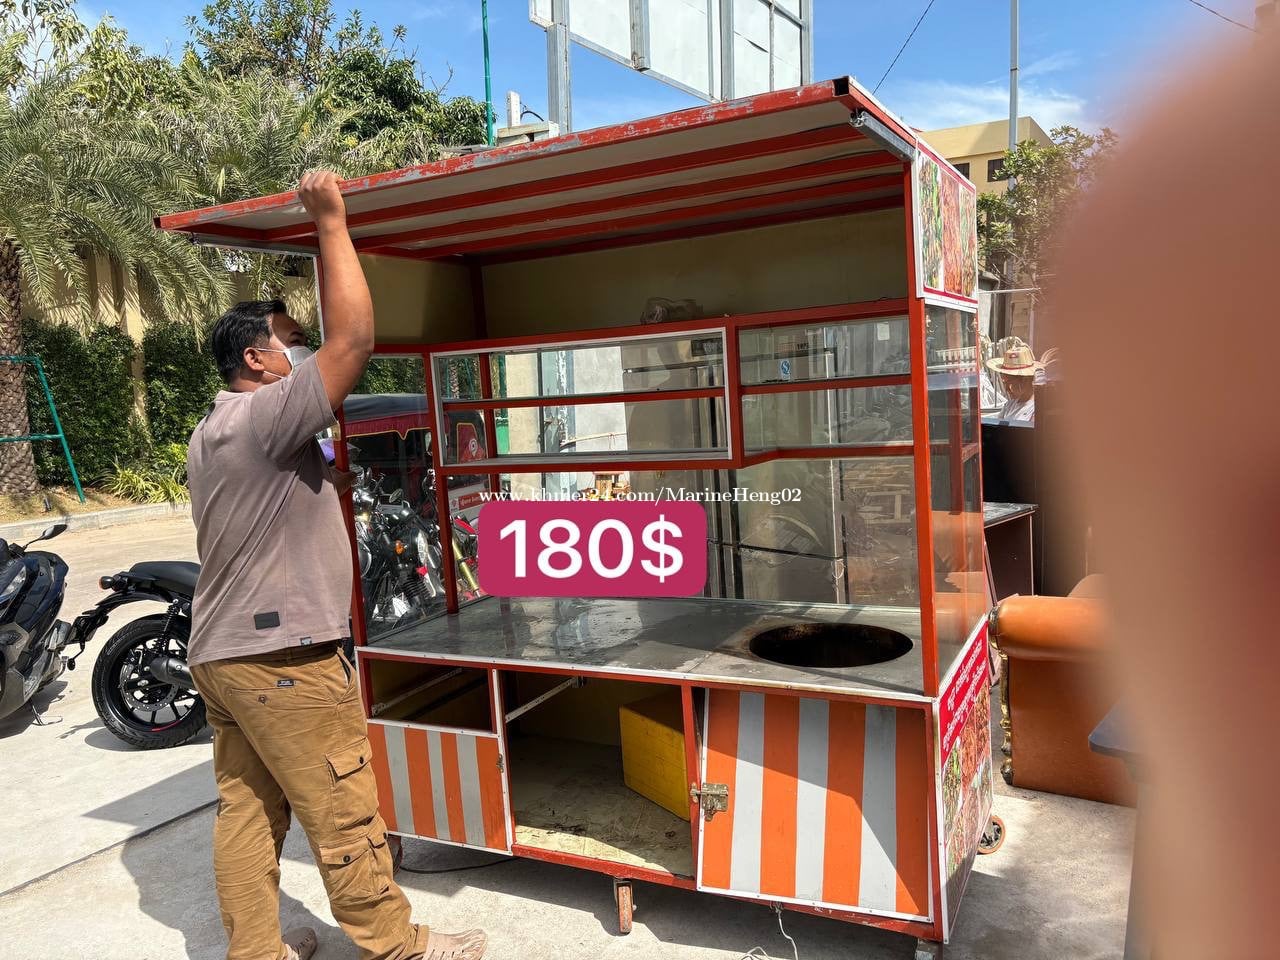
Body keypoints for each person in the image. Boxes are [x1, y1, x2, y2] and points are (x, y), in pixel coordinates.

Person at [186, 170, 488, 960]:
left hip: (223, 654)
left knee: (249, 812)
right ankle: (398, 945)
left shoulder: (213, 429)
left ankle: (257, 951)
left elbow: (269, 506)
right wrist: (330, 221)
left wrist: (326, 486)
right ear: (258, 358)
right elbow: (354, 341)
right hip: (283, 657)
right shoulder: (265, 413)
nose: (303, 350)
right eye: (291, 340)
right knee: (343, 802)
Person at [985, 341, 1041, 422]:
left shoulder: (1035, 410)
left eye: (1009, 384)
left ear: (1025, 380)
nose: (1006, 389)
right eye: (1004, 384)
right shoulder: (1009, 406)